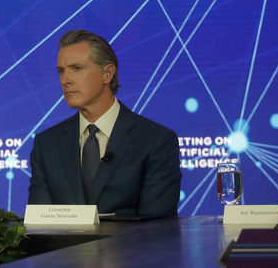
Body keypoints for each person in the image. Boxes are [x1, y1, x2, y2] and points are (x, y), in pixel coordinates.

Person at [28, 30, 181, 217]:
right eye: (61, 71)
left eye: (76, 68)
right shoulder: (46, 144)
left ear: (107, 73)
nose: (65, 80)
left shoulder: (155, 141)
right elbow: (40, 225)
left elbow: (157, 227)